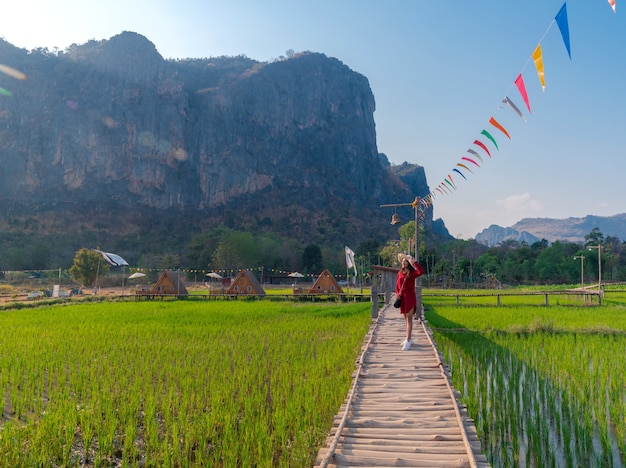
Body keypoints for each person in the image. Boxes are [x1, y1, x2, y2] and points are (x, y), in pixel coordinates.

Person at [396, 253, 425, 351]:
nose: (403, 262)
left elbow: (421, 271)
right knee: (405, 319)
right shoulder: (400, 273)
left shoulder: (412, 273)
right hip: (402, 298)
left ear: (408, 263)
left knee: (409, 318)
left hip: (410, 297)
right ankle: (408, 338)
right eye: (403, 261)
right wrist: (397, 294)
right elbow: (397, 285)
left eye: (405, 261)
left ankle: (408, 340)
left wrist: (415, 263)